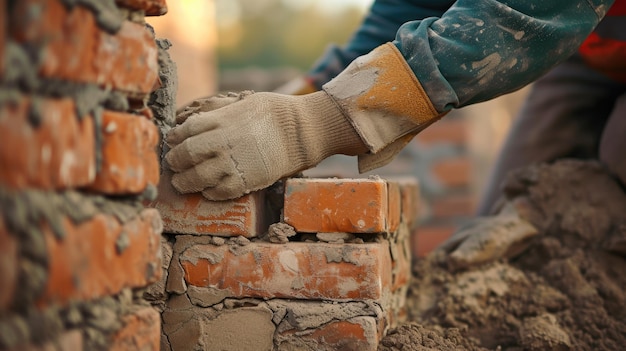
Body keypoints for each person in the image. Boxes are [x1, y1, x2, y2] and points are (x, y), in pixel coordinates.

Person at [166, 0, 625, 268]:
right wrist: (302, 92)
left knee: (611, 161)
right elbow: (405, 12)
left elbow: (516, 18)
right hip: (594, 53)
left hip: (556, 17)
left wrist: (312, 124)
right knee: (496, 234)